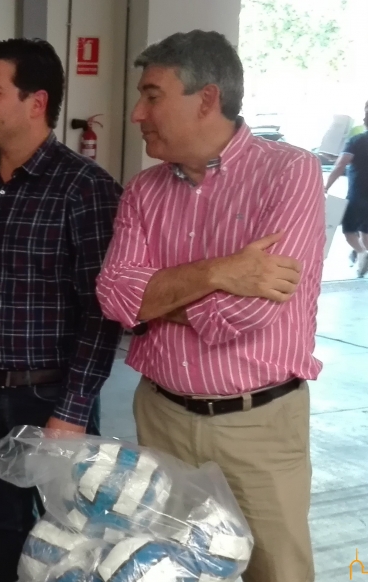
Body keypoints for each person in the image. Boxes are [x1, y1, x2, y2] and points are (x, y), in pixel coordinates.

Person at [96, 30, 323, 582]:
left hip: (258, 426)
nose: (137, 113)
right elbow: (115, 297)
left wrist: (157, 298)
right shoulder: (143, 191)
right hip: (162, 420)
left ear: (207, 99)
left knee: (276, 571)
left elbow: (248, 313)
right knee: (169, 570)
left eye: (152, 96)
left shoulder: (290, 172)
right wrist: (220, 272)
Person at [0, 38, 123, 582]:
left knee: (70, 535)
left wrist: (73, 409)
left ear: (35, 103)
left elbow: (101, 312)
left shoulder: (86, 189)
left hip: (50, 399)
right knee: (4, 526)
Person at [326, 100, 368, 276]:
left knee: (349, 229)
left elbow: (340, 165)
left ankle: (361, 252)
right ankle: (362, 258)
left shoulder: (357, 140)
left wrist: (326, 186)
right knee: (365, 229)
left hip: (358, 193)